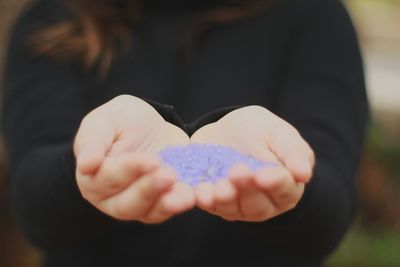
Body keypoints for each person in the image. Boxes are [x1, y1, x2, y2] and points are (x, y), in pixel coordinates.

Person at [1, 0, 369, 266]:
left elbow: (330, 211)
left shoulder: (314, 16)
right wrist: (84, 169)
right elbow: (34, 203)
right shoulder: (54, 17)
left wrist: (292, 184)